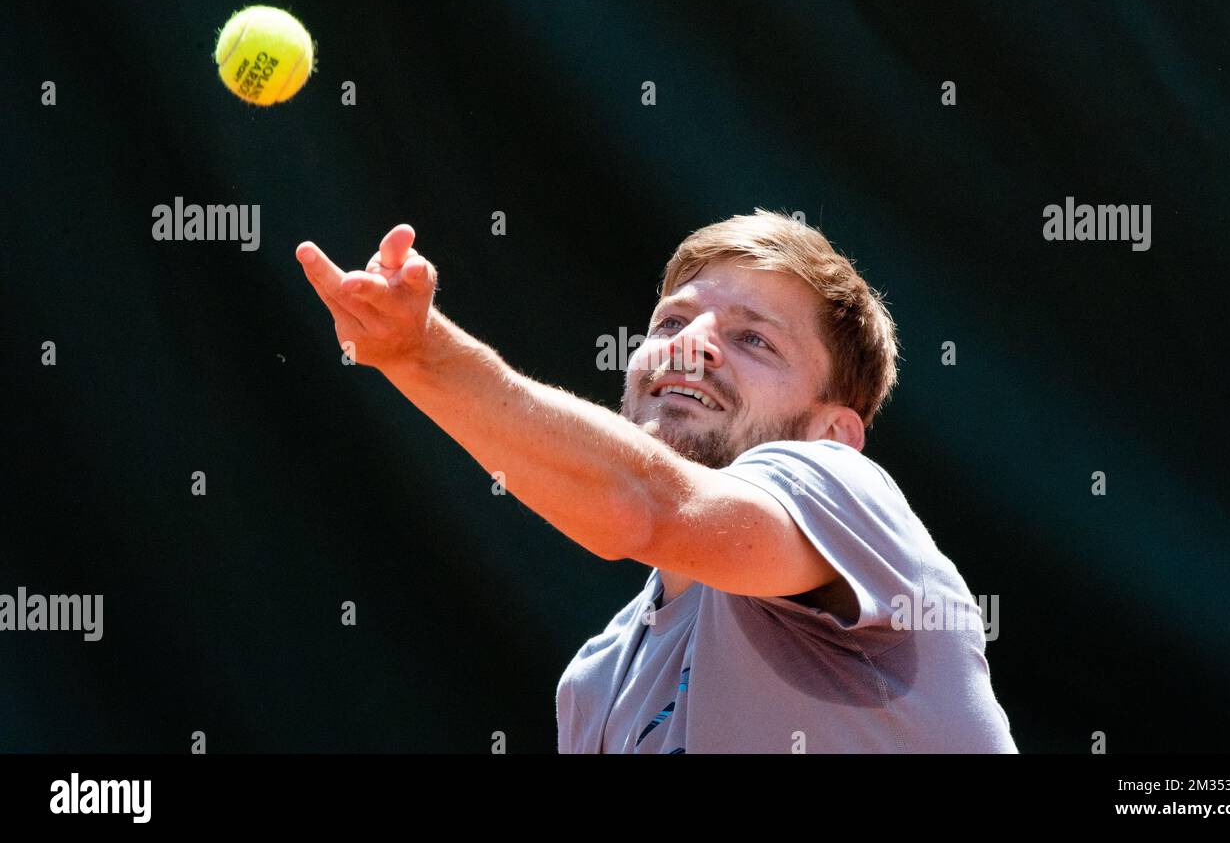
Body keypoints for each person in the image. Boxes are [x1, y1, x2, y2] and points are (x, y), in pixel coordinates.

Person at [296, 208, 1016, 753]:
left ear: (834, 433)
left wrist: (419, 354)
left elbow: (644, 504)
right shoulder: (596, 681)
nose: (690, 346)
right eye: (672, 322)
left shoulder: (845, 492)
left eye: (752, 339)